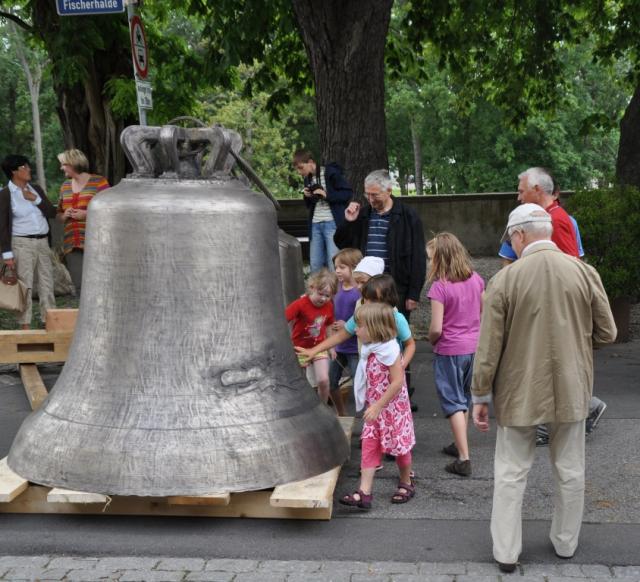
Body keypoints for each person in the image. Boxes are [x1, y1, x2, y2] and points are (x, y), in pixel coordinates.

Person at [471, 203, 617, 572]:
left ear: (519, 234)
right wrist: (575, 345)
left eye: (511, 240)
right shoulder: (584, 272)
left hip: (518, 388)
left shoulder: (505, 280)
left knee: (511, 472)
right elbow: (607, 332)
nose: (511, 245)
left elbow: (488, 348)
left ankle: (506, 552)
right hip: (572, 385)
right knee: (570, 469)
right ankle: (566, 543)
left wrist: (480, 394)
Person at [497, 169, 607, 443]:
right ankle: (575, 412)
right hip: (547, 303)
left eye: (521, 191)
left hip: (553, 305)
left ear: (537, 189)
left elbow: (571, 266)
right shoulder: (543, 218)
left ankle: (575, 413)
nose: (518, 196)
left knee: (551, 362)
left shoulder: (556, 219)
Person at [334, 169, 426, 410]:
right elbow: (342, 243)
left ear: (389, 190)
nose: (370, 199)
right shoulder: (364, 215)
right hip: (367, 287)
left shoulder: (407, 216)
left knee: (398, 338)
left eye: (375, 194)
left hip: (395, 288)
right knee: (370, 337)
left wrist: (414, 293)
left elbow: (418, 256)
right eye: (367, 194)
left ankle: (402, 391)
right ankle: (375, 390)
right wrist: (348, 221)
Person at [296, 273, 416, 411]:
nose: (367, 304)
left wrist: (402, 364)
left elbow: (410, 344)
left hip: (391, 372)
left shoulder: (396, 319)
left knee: (391, 410)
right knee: (372, 408)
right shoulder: (362, 316)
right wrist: (314, 350)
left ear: (387, 300)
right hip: (372, 373)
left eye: (373, 300)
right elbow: (340, 336)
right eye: (366, 299)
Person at [338, 302, 415, 509]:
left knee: (400, 448)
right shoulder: (371, 349)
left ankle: (406, 481)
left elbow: (397, 382)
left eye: (360, 325)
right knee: (369, 445)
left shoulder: (389, 351)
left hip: (393, 410)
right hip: (375, 409)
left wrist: (379, 405)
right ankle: (364, 492)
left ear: (374, 328)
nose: (355, 329)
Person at [426, 232, 484, 477]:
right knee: (464, 398)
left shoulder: (439, 287)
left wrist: (432, 340)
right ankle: (460, 444)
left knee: (453, 402)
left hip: (450, 349)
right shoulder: (476, 279)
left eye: (431, 258)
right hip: (474, 348)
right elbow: (483, 312)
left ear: (441, 258)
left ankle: (463, 458)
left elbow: (436, 328)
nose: (429, 262)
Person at [0, 155, 56, 329]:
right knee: (25, 286)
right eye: (24, 167)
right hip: (21, 244)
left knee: (47, 284)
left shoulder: (36, 189)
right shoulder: (5, 194)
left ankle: (50, 323)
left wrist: (35, 199)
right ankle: (25, 327)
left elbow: (52, 212)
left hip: (43, 242)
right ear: (14, 171)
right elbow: (2, 226)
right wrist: (7, 254)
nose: (29, 169)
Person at [56, 149, 109, 297]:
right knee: (79, 285)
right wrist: (64, 215)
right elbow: (58, 214)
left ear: (73, 163)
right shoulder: (65, 186)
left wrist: (87, 214)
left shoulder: (99, 182)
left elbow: (109, 209)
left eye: (63, 164)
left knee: (100, 282)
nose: (61, 168)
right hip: (72, 243)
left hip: (97, 242)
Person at [292, 150, 353, 273]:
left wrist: (326, 195)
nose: (300, 172)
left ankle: (336, 286)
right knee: (315, 264)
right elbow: (309, 205)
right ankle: (317, 286)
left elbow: (347, 193)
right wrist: (307, 196)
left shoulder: (331, 173)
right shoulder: (308, 179)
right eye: (297, 169)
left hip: (332, 223)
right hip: (315, 224)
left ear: (310, 162)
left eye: (301, 168)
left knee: (333, 262)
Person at [285, 268, 338, 403]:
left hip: (319, 347)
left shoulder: (329, 306)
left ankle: (323, 406)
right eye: (320, 294)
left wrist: (331, 347)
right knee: (299, 382)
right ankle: (300, 405)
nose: (323, 298)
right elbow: (283, 318)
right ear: (312, 287)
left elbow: (328, 325)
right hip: (300, 348)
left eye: (328, 296)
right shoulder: (300, 304)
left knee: (323, 380)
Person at [328, 247, 363, 416]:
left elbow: (365, 320)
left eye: (342, 267)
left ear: (354, 267)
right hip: (338, 347)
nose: (337, 271)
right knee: (331, 382)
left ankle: (365, 420)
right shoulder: (336, 288)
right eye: (336, 267)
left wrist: (347, 325)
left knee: (360, 386)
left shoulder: (360, 291)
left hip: (355, 348)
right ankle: (341, 413)